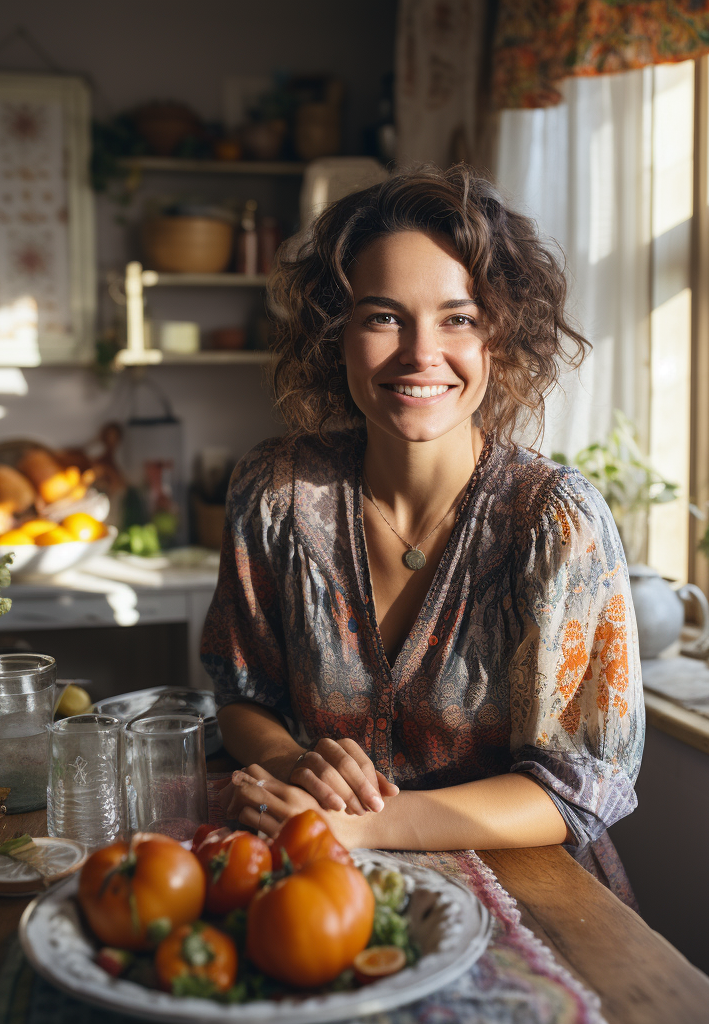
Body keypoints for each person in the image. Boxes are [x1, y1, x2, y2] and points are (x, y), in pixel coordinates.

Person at [201, 166, 643, 883]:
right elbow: (243, 698)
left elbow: (580, 791)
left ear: (500, 339)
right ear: (334, 333)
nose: (420, 353)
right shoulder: (274, 493)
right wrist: (294, 762)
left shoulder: (555, 522)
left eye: (458, 318)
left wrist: (367, 825)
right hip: (325, 884)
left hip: (533, 897)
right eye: (382, 316)